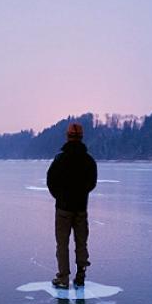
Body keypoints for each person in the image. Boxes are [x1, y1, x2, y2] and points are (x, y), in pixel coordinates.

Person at [46, 122, 98, 289]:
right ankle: (80, 276)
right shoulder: (89, 160)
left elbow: (50, 181)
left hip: (63, 208)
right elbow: (92, 183)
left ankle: (63, 278)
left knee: (62, 244)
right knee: (81, 242)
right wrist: (81, 195)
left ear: (68, 137)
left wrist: (59, 196)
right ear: (81, 137)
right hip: (81, 208)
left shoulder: (60, 159)